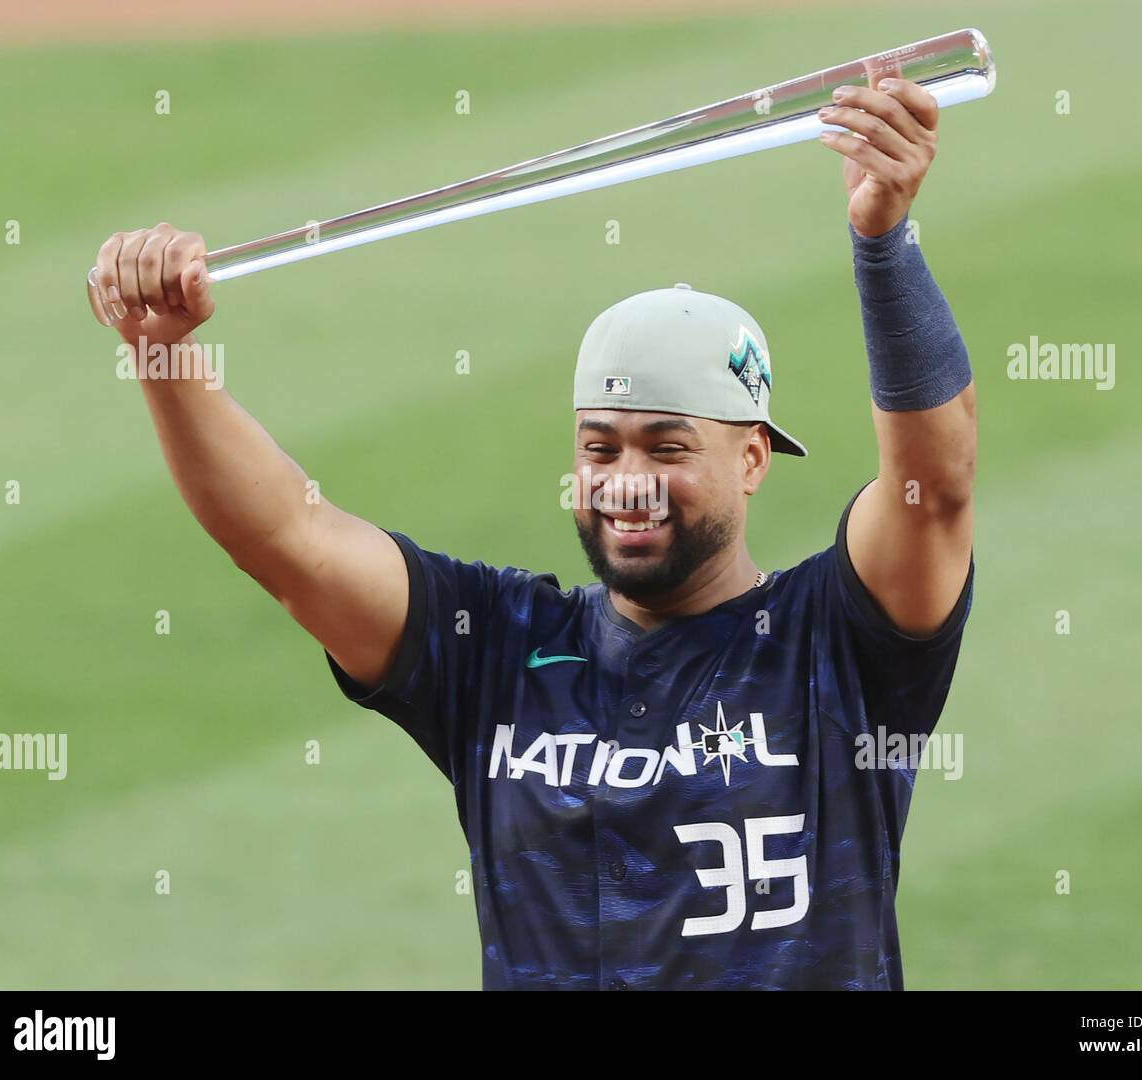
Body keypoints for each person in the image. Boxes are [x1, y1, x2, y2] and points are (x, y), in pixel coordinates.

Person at [86, 77, 976, 990]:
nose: (627, 481)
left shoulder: (833, 643)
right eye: (601, 447)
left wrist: (882, 245)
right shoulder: (497, 648)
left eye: (668, 446)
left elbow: (934, 491)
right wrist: (163, 354)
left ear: (753, 458)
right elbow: (286, 538)